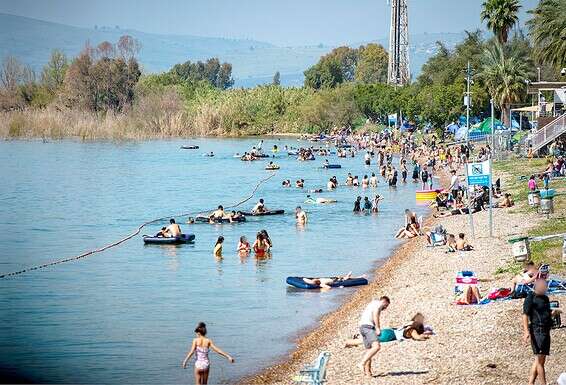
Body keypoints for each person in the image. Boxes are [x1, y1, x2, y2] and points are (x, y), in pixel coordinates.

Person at [522, 280, 554, 385]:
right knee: (540, 360)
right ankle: (543, 383)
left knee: (539, 359)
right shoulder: (531, 297)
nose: (545, 288)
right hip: (537, 330)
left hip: (546, 330)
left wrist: (554, 313)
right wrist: (526, 331)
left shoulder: (545, 298)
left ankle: (530, 383)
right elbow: (525, 315)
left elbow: (546, 314)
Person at [345, 312, 431, 347]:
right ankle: (348, 342)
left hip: (389, 331)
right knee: (365, 341)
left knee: (369, 337)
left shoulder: (408, 325)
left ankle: (356, 338)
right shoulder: (412, 330)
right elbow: (417, 337)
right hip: (389, 335)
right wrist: (425, 336)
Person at [357, 296, 391, 376]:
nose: (385, 308)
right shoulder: (378, 304)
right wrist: (378, 328)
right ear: (384, 302)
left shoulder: (372, 303)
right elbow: (375, 315)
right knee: (377, 347)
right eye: (386, 306)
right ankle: (361, 363)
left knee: (369, 350)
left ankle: (368, 373)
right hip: (368, 327)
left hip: (362, 327)